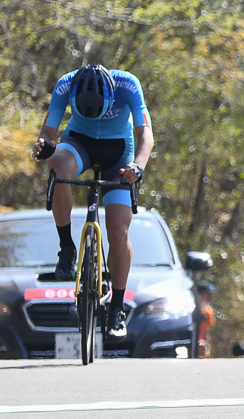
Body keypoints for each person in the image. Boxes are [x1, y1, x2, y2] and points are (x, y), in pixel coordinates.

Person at [31, 64, 153, 341]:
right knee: (58, 167)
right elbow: (48, 133)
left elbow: (145, 134)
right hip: (79, 143)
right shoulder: (65, 84)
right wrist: (43, 145)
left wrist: (138, 166)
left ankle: (117, 308)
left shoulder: (128, 85)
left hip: (119, 154)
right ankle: (67, 249)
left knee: (118, 231)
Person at [193, 282, 216, 358]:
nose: (210, 297)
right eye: (208, 294)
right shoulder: (189, 309)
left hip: (202, 348)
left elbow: (207, 332)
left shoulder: (208, 311)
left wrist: (207, 348)